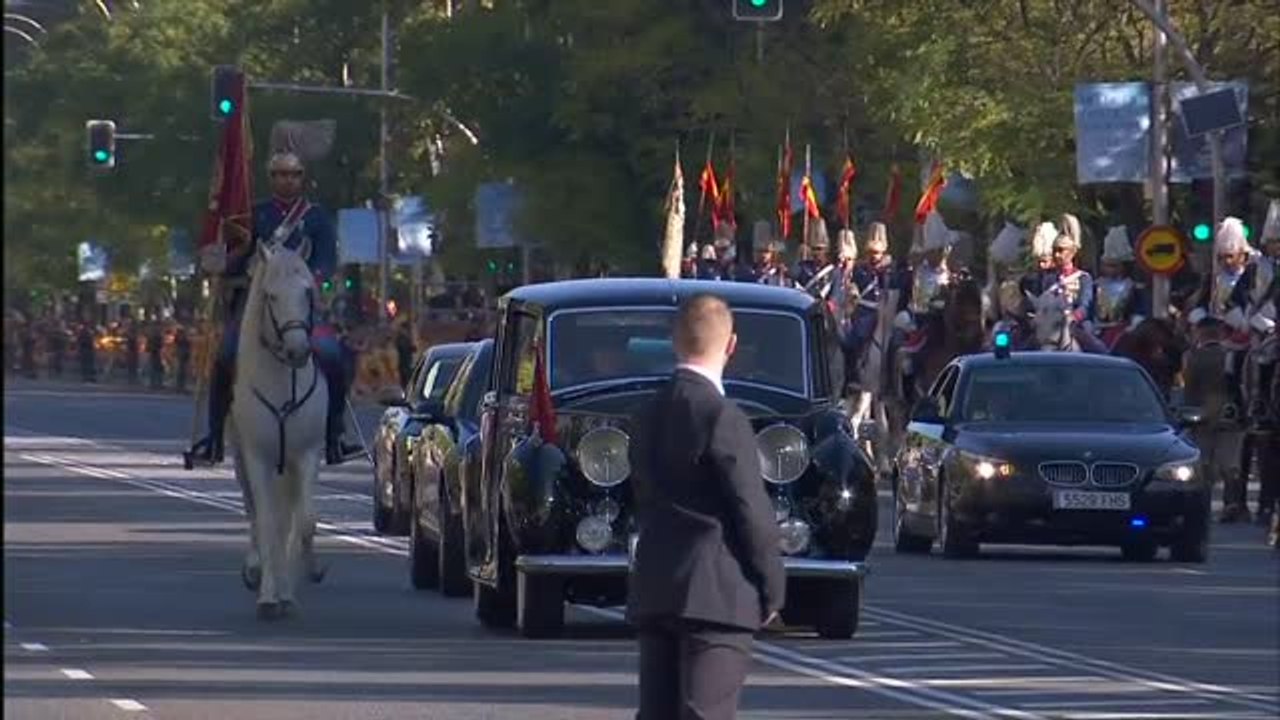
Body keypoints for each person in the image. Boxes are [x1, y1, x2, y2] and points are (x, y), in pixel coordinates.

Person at [627, 294, 785, 720]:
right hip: (716, 593)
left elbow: (641, 495)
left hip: (657, 583)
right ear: (731, 345)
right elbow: (749, 506)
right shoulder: (723, 416)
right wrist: (771, 585)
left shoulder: (646, 414)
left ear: (674, 341)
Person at [190, 151, 362, 466]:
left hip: (300, 307)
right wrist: (222, 264)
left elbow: (325, 259)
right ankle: (214, 437)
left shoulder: (316, 217)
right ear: (271, 179)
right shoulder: (254, 216)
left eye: (294, 174)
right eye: (281, 174)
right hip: (256, 306)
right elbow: (238, 257)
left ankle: (334, 435)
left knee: (334, 357)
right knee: (226, 356)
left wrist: (313, 277)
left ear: (302, 178)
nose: (288, 180)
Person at [894, 211, 953, 396]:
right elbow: (908, 298)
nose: (938, 255)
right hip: (920, 320)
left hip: (944, 321)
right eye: (935, 251)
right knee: (906, 357)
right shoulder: (917, 273)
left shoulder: (952, 274)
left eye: (940, 250)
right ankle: (905, 391)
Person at [1093, 225, 1148, 350]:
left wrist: (1134, 326)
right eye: (1107, 265)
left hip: (1123, 333)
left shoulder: (1134, 288)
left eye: (1113, 265)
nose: (1109, 269)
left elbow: (1140, 311)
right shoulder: (1095, 286)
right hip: (1097, 332)